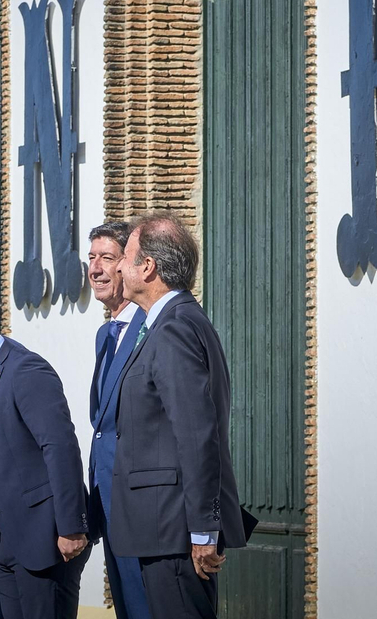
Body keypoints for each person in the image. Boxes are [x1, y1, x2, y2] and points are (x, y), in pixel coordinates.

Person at [111, 212, 250, 619]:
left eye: (127, 256)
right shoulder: (173, 322)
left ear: (148, 267)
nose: (119, 265)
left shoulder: (174, 326)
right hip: (164, 527)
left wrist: (203, 530)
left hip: (173, 530)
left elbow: (196, 433)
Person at [0, 269, 92, 619]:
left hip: (47, 540)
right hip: (1, 540)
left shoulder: (25, 369)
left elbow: (61, 448)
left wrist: (72, 527)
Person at [84, 221, 151, 619]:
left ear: (131, 265)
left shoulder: (154, 326)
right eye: (91, 259)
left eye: (107, 258)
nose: (95, 269)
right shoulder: (105, 335)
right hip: (108, 504)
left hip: (142, 509)